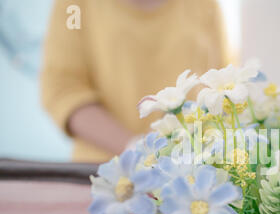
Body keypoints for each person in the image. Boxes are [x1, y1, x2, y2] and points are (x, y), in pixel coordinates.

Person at [41, 0, 229, 163]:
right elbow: (62, 88)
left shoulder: (204, 4)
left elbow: (221, 85)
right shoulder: (74, 6)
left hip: (189, 173)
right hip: (104, 175)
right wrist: (136, 149)